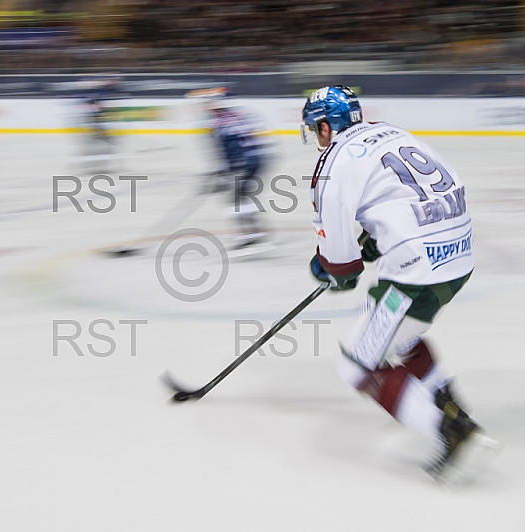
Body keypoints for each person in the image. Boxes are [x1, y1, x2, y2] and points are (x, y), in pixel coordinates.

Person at [301, 85, 499, 483]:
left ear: (325, 127)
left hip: (416, 272)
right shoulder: (389, 132)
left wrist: (329, 267)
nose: (315, 137)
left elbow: (342, 270)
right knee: (402, 340)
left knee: (355, 364)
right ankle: (451, 406)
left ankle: (450, 431)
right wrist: (377, 239)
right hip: (459, 256)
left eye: (314, 129)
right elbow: (408, 195)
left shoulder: (332, 164)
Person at [187, 88, 273, 252]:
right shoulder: (235, 115)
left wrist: (220, 172)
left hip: (245, 162)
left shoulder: (216, 123)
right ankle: (254, 232)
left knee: (234, 198)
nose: (204, 107)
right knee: (241, 195)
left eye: (207, 104)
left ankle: (250, 235)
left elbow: (226, 151)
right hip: (258, 159)